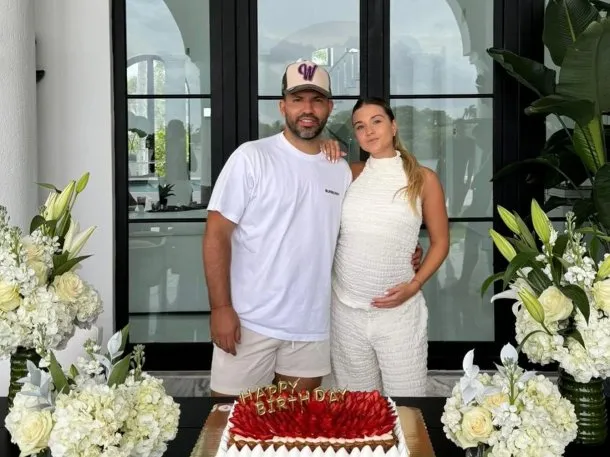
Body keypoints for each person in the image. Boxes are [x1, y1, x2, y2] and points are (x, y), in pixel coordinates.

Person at [202, 62, 422, 396]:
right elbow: (217, 234)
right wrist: (221, 308)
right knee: (227, 428)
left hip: (311, 329)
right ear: (282, 105)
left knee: (295, 433)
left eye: (317, 100)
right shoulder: (252, 157)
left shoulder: (340, 169)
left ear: (329, 108)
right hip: (250, 323)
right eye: (297, 99)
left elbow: (366, 219)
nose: (307, 109)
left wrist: (405, 250)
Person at [322, 97, 449, 396]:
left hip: (399, 314)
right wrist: (322, 147)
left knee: (407, 403)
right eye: (360, 126)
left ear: (393, 125)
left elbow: (441, 242)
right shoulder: (348, 174)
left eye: (377, 121)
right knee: (358, 409)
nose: (369, 131)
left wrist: (414, 285)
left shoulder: (422, 179)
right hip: (346, 312)